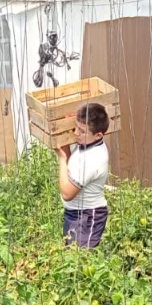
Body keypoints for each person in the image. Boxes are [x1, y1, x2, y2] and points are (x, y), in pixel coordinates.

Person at [57, 102, 111, 249]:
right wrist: (66, 149)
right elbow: (72, 171)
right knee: (70, 256)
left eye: (82, 131)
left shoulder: (93, 159)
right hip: (75, 213)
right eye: (75, 127)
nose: (76, 133)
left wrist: (61, 159)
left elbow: (67, 194)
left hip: (87, 216)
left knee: (79, 259)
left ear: (98, 135)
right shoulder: (88, 143)